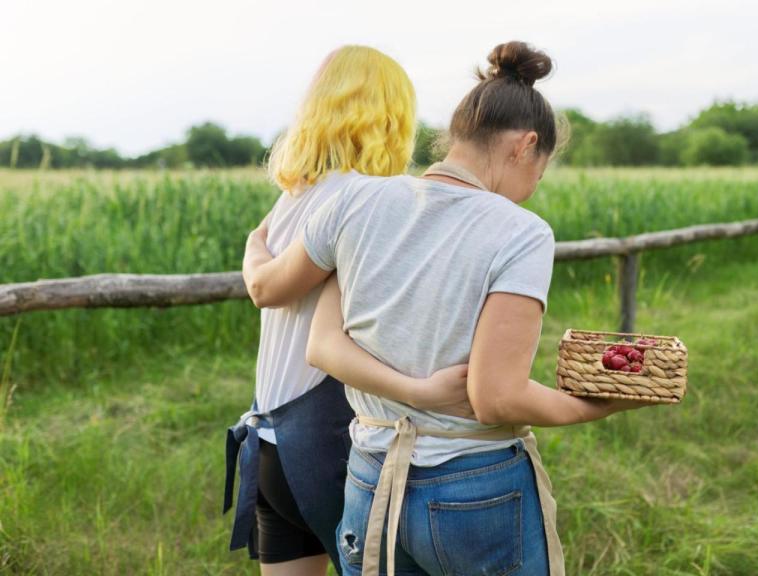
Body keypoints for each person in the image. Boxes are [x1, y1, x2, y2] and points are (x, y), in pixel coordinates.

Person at [243, 41, 646, 576]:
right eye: (539, 174)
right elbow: (495, 397)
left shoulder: (354, 201)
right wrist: (592, 407)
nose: (529, 192)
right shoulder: (522, 232)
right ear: (526, 146)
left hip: (368, 478)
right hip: (471, 486)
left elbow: (321, 344)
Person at [228, 45, 472, 576]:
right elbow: (271, 288)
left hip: (270, 441)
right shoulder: (366, 198)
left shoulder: (294, 195)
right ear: (392, 116)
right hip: (331, 444)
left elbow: (262, 277)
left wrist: (251, 244)